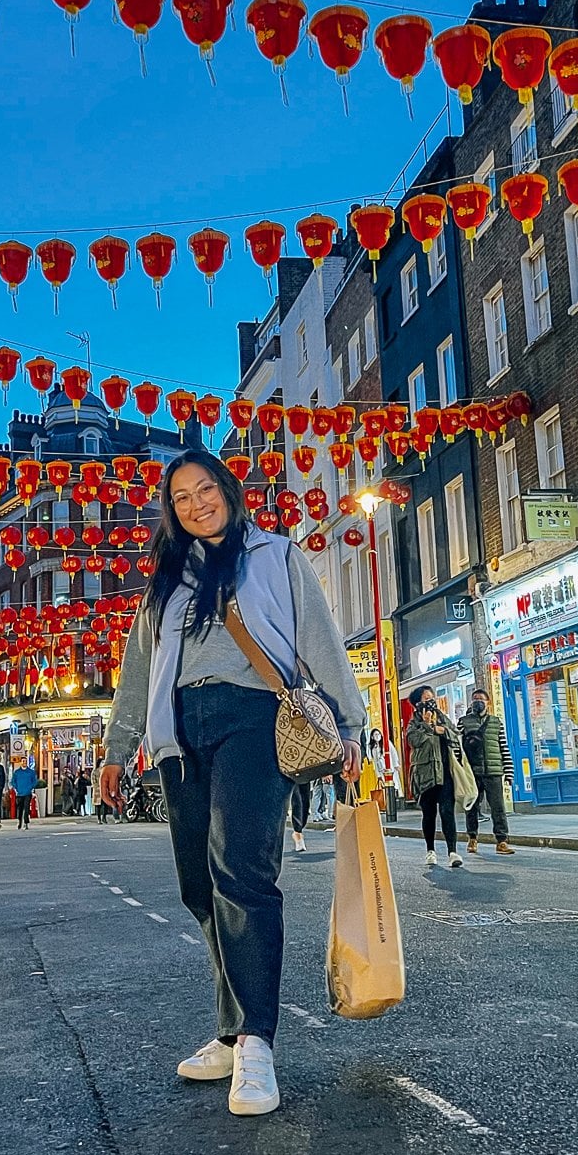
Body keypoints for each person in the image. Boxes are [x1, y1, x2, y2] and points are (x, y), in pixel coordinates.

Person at [99, 449, 365, 1119]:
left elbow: (321, 639)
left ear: (228, 490)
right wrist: (118, 744)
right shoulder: (167, 578)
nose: (196, 504)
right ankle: (230, 1027)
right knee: (199, 885)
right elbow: (138, 667)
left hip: (255, 718)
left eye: (205, 489)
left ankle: (257, 1043)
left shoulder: (275, 554)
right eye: (181, 497)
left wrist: (351, 721)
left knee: (241, 873)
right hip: (180, 733)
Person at [406, 687, 463, 869]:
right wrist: (425, 725)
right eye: (426, 698)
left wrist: (440, 729)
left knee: (447, 812)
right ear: (417, 704)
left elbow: (455, 734)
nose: (431, 701)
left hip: (445, 773)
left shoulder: (441, 717)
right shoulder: (414, 722)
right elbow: (413, 740)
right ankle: (430, 850)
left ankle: (452, 852)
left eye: (432, 697)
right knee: (429, 814)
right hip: (425, 774)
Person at [458, 686, 516, 856]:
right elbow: (456, 746)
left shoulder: (496, 722)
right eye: (475, 698)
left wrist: (509, 771)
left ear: (488, 703)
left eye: (481, 699)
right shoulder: (463, 722)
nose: (478, 701)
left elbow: (503, 747)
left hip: (494, 771)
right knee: (472, 807)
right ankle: (472, 838)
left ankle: (502, 841)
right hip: (472, 772)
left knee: (498, 808)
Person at [10, 757, 38, 829]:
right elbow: (13, 782)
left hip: (28, 793)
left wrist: (31, 788)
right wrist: (16, 789)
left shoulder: (31, 772)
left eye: (25, 761)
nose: (24, 762)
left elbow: (34, 781)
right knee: (20, 808)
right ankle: (19, 821)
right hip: (19, 793)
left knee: (26, 807)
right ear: (21, 762)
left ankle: (26, 822)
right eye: (23, 761)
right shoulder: (17, 772)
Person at [288, 782, 310, 854]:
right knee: (297, 800)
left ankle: (299, 829)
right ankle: (297, 832)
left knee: (305, 800)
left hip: (305, 773)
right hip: (289, 773)